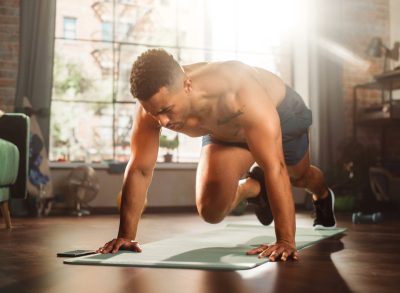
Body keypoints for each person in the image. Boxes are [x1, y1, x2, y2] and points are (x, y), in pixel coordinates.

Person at [97, 49, 336, 262]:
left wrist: (285, 241)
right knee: (211, 210)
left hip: (280, 114)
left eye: (166, 110)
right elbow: (139, 168)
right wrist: (125, 236)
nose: (162, 122)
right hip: (226, 133)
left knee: (299, 177)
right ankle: (254, 187)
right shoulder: (152, 108)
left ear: (187, 85)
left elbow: (275, 167)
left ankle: (322, 196)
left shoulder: (237, 92)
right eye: (153, 113)